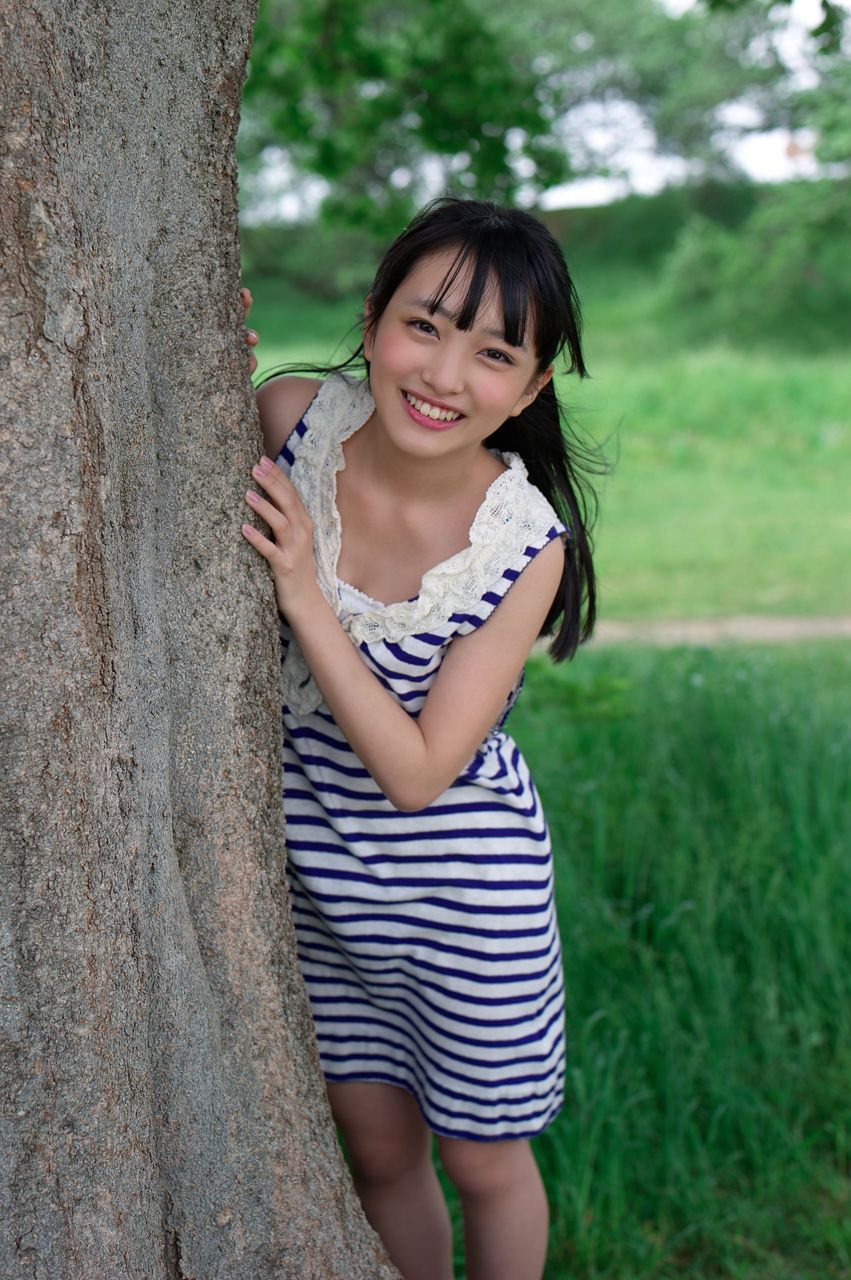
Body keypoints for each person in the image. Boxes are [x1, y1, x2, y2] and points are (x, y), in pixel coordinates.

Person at [239, 197, 598, 1280]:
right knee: (380, 1152)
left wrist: (304, 595)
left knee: (484, 1162)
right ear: (371, 318)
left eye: (493, 354)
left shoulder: (523, 544)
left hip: (466, 903)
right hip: (317, 887)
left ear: (529, 388)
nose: (443, 374)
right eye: (423, 326)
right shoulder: (291, 418)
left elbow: (417, 773)